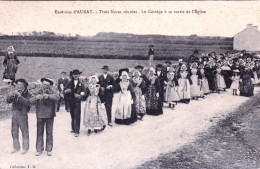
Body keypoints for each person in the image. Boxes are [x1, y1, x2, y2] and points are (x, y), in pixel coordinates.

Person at [30, 78, 60, 156]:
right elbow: (31, 98)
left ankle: (49, 149)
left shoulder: (52, 90)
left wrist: (48, 96)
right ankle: (39, 149)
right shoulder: (38, 90)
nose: (45, 86)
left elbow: (57, 97)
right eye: (44, 84)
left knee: (49, 132)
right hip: (40, 114)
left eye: (47, 85)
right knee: (39, 132)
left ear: (49, 85)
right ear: (41, 84)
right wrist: (36, 97)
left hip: (50, 114)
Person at [6, 79, 32, 155]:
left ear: (24, 86)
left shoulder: (28, 93)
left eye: (20, 85)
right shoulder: (15, 92)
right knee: (14, 132)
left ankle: (25, 148)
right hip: (14, 114)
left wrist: (20, 96)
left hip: (22, 114)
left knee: (24, 132)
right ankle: (16, 147)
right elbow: (8, 101)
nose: (19, 86)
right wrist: (10, 95)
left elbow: (28, 103)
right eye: (17, 85)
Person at [64, 70, 86, 137]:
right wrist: (66, 91)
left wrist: (80, 96)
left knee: (77, 115)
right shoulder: (69, 83)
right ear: (72, 75)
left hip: (77, 102)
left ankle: (77, 131)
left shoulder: (81, 84)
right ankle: (73, 128)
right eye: (74, 74)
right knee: (72, 115)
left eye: (77, 74)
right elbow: (64, 90)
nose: (76, 75)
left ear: (79, 75)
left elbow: (84, 92)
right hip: (71, 101)